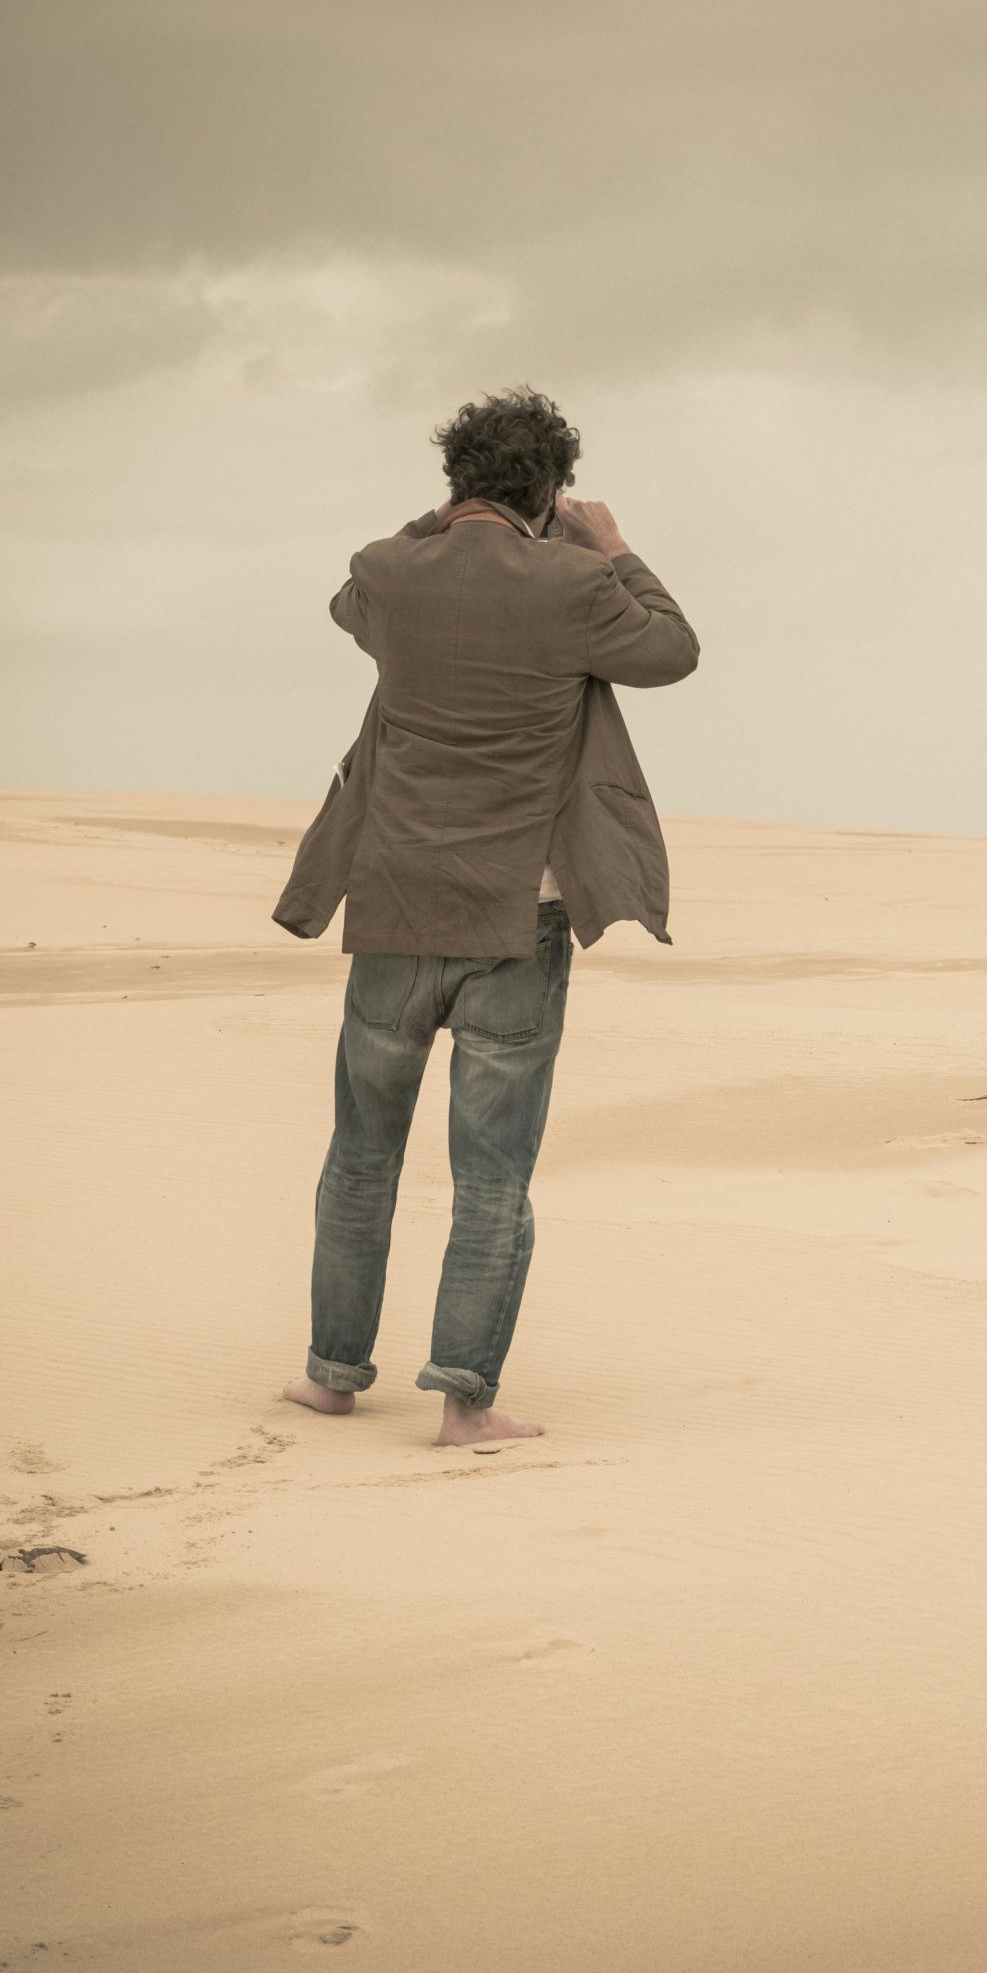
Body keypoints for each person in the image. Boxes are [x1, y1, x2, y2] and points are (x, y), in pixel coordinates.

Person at [271, 387, 699, 1446]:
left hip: (393, 906)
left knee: (361, 1154)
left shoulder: (388, 571)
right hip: (517, 917)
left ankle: (332, 1375)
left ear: (455, 478)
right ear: (550, 490)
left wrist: (446, 521)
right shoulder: (579, 583)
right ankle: (464, 1401)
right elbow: (672, 650)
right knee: (491, 1173)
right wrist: (613, 547)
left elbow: (352, 600)